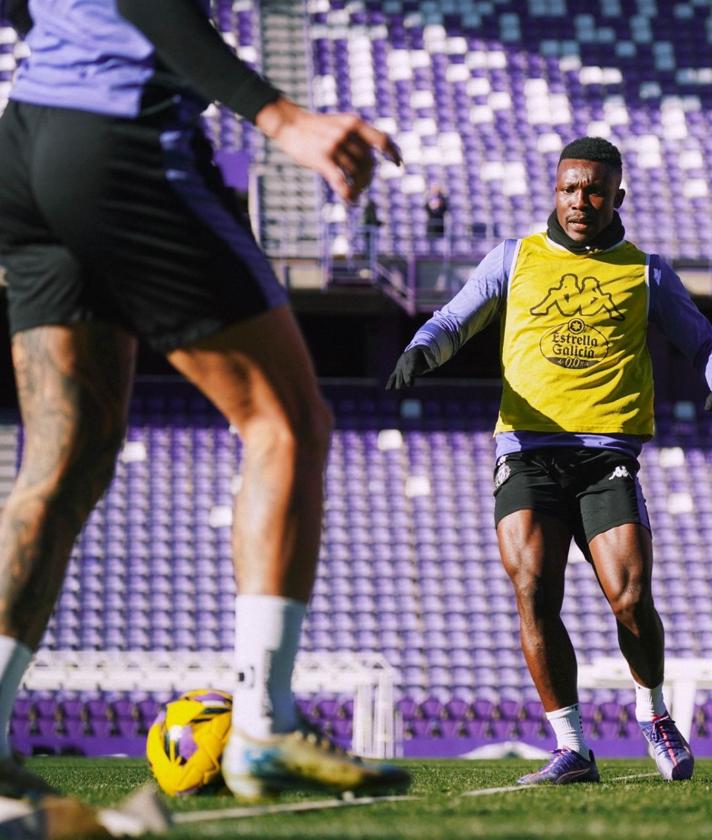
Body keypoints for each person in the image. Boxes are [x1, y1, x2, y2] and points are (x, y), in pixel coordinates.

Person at [0, 0, 409, 801]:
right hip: (122, 138)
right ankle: (264, 721)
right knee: (286, 424)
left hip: (25, 141)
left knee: (60, 460)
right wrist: (282, 116)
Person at [387, 136, 712, 785]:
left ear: (617, 196)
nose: (580, 201)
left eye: (594, 191)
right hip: (526, 452)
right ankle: (572, 747)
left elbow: (705, 340)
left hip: (605, 455)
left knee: (631, 598)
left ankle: (654, 713)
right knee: (532, 590)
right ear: (555, 190)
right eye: (568, 189)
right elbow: (453, 319)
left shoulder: (646, 272)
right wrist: (421, 350)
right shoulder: (514, 258)